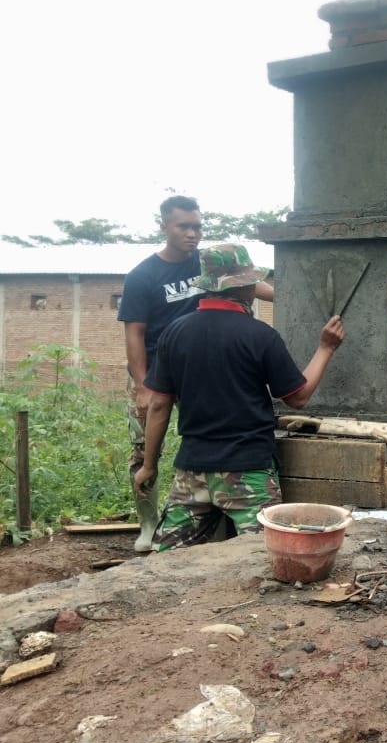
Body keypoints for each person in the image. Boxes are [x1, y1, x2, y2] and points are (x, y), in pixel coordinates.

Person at [132, 244, 342, 551]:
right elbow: (297, 397)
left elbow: (159, 404)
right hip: (248, 473)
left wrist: (149, 465)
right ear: (244, 287)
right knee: (265, 555)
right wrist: (326, 348)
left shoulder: (174, 333)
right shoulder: (259, 335)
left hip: (192, 473)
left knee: (169, 559)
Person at [117, 196, 273, 552]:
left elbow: (244, 283)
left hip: (196, 366)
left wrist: (286, 296)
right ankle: (147, 523)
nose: (192, 234)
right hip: (155, 367)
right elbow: (134, 333)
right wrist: (143, 386)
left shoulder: (203, 263)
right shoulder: (144, 276)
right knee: (143, 450)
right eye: (183, 226)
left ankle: (210, 513)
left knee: (210, 431)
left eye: (197, 226)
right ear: (164, 227)